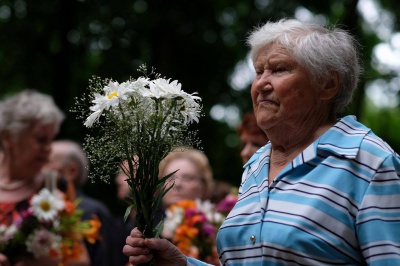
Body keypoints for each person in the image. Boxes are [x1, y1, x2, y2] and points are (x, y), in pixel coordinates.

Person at [122, 18, 400, 265]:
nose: (261, 84)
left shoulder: (369, 162)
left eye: (279, 70)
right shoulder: (256, 164)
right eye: (258, 72)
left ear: (327, 84)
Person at [0, 90, 90, 265]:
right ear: (8, 137)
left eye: (51, 140)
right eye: (41, 139)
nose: (48, 149)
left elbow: (81, 260)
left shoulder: (56, 187)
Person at [43, 139, 117, 266]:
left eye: (47, 161)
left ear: (71, 171)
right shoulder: (42, 206)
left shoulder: (93, 211)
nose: (40, 167)